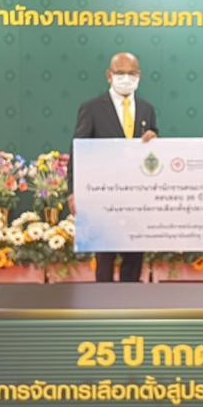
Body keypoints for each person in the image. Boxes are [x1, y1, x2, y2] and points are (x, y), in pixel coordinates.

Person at [68, 52, 159, 282]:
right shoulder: (92, 108)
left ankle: (132, 301)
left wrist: (154, 141)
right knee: (105, 259)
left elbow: (154, 153)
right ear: (109, 75)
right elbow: (78, 151)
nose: (126, 78)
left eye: (132, 73)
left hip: (138, 198)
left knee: (134, 258)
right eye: (120, 73)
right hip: (103, 197)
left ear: (139, 76)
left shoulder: (147, 109)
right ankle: (103, 303)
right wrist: (73, 191)